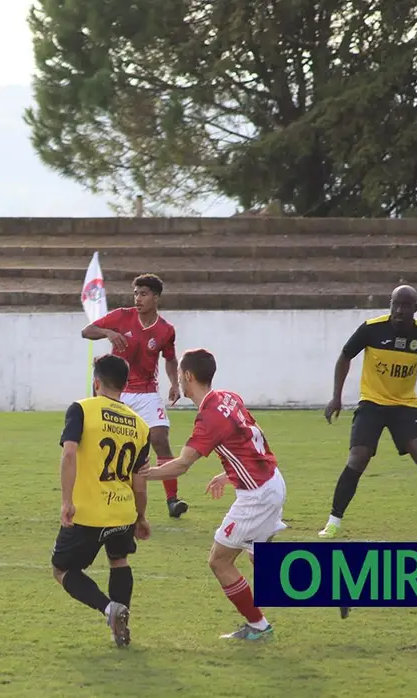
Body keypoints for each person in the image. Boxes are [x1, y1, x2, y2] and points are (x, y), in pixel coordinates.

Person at [141, 348, 286, 641]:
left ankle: (258, 626)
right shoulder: (229, 397)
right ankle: (332, 590)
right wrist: (229, 472)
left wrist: (140, 474)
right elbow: (250, 439)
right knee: (259, 556)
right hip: (273, 481)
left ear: (187, 376)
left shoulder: (208, 418)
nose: (178, 378)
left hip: (257, 495)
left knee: (219, 561)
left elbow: (182, 465)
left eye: (179, 373)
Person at [320, 285, 417, 539]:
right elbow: (344, 356)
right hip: (372, 403)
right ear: (390, 304)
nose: (399, 310)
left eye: (405, 305)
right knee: (358, 458)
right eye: (395, 304)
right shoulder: (372, 329)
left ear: (416, 308)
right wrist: (336, 397)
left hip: (405, 406)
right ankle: (333, 521)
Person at [51, 353, 151, 648]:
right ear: (125, 384)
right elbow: (140, 480)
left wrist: (66, 501)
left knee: (62, 569)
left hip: (88, 512)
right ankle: (120, 628)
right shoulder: (140, 425)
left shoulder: (81, 409)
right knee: (118, 560)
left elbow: (69, 453)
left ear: (96, 382)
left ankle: (110, 610)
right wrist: (141, 517)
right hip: (123, 511)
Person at [82, 273, 189, 519]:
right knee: (109, 445)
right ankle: (102, 496)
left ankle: (173, 500)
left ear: (156, 297)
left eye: (143, 294)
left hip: (148, 393)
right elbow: (87, 331)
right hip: (118, 393)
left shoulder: (165, 330)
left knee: (160, 439)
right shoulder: (122, 316)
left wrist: (174, 383)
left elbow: (170, 358)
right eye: (136, 294)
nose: (138, 299)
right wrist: (108, 333)